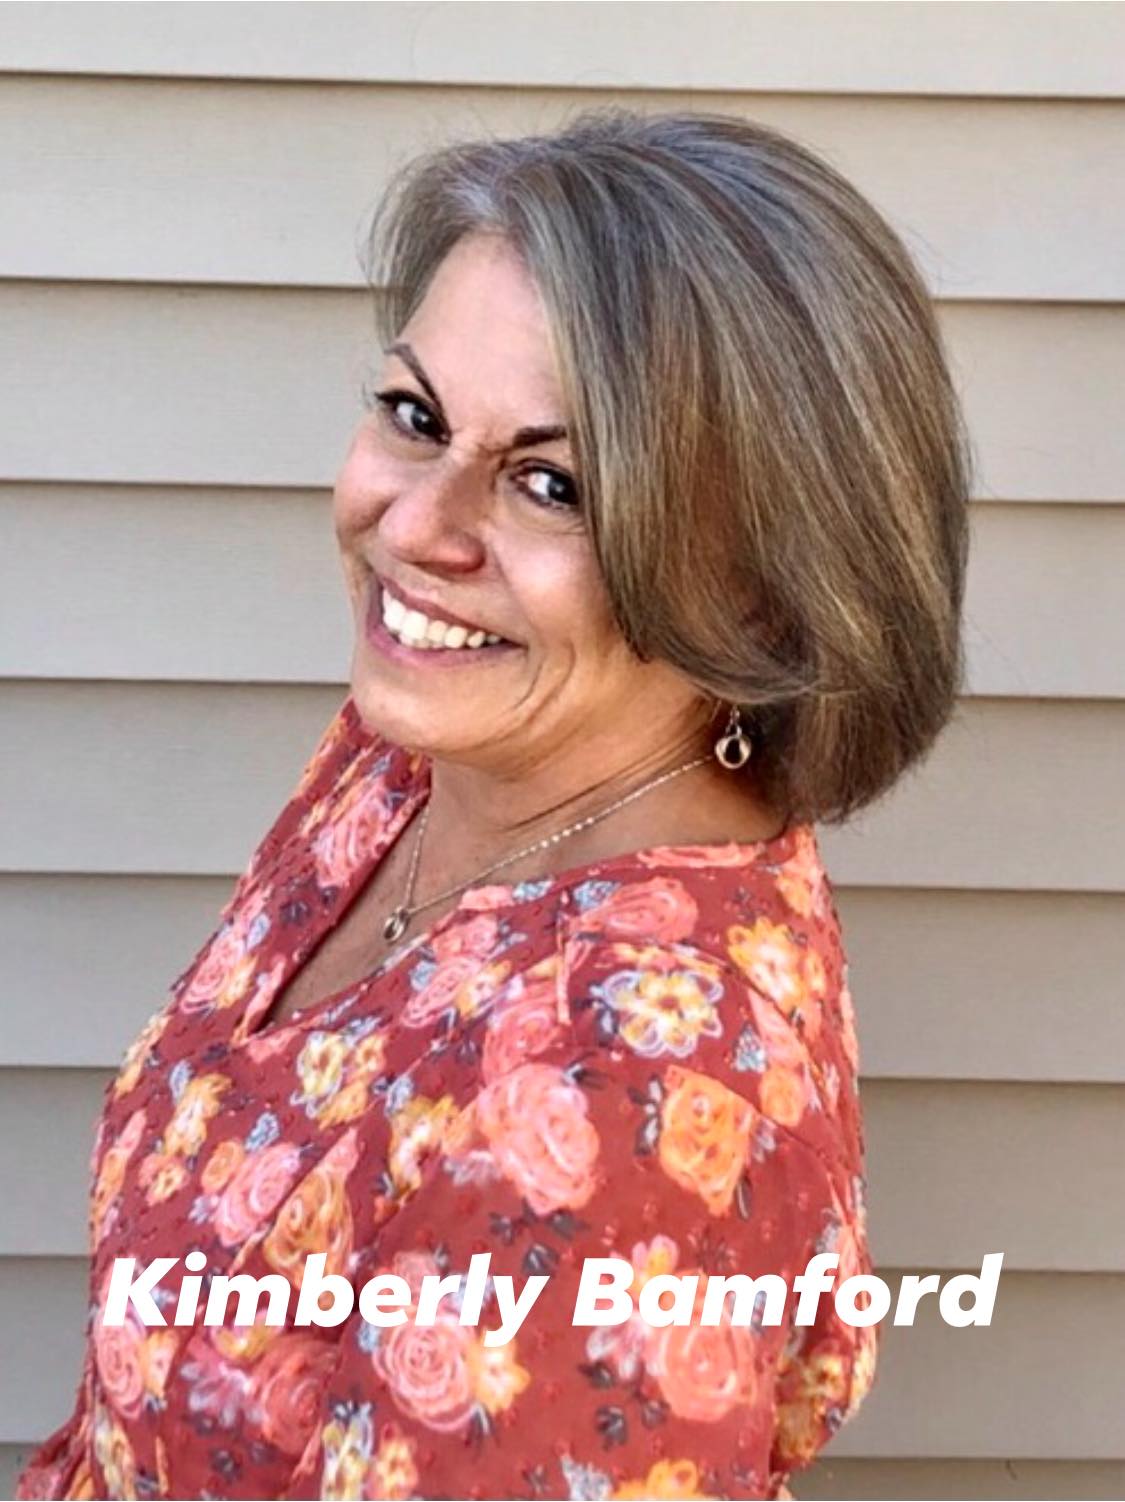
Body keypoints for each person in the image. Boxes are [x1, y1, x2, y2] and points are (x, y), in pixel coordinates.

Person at [18, 107, 970, 1501]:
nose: (415, 526)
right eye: (414, 417)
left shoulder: (619, 1121)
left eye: (549, 484)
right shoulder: (426, 750)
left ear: (769, 589)